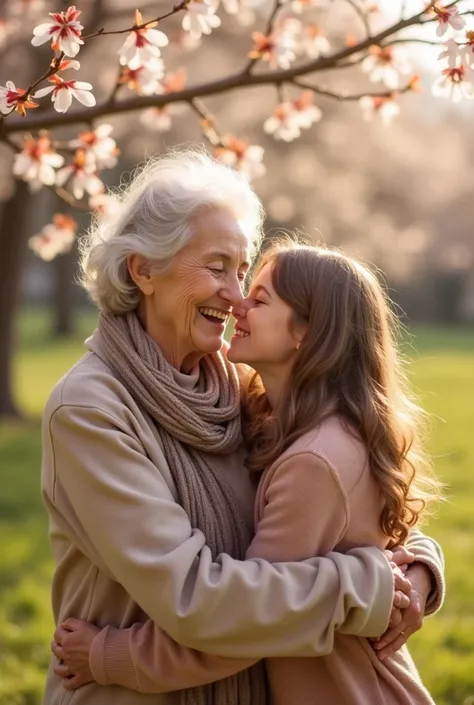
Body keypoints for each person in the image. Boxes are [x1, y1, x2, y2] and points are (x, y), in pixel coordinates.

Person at [43, 148, 444, 705]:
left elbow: (348, 510)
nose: (235, 297)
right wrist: (370, 586)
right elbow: (196, 599)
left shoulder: (240, 386)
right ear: (144, 270)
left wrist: (419, 570)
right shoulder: (90, 410)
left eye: (242, 271)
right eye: (216, 267)